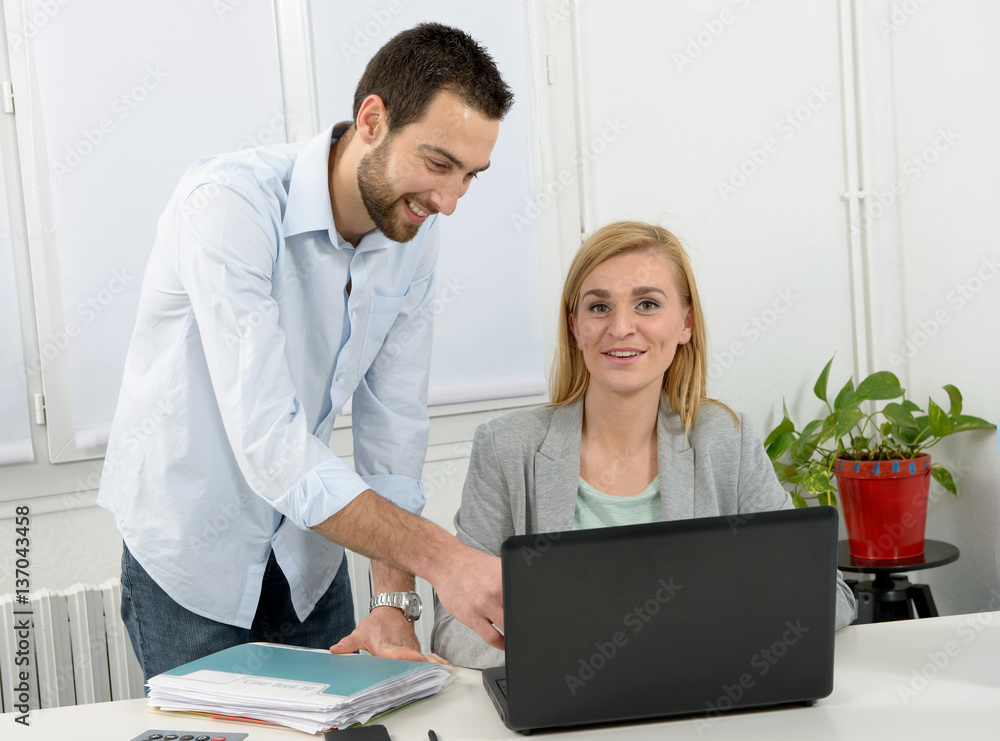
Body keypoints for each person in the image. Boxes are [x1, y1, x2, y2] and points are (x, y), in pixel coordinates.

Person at [98, 23, 513, 681]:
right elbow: (272, 446)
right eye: (438, 164)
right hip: (190, 559)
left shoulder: (414, 229)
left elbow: (393, 431)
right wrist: (447, 559)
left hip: (307, 560)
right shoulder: (228, 206)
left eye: (470, 176)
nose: (449, 202)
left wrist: (395, 599)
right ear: (371, 119)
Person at [432, 221, 857, 668]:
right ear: (575, 326)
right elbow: (453, 630)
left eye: (647, 304)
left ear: (685, 324)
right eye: (599, 307)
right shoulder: (506, 448)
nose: (621, 328)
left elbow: (830, 596)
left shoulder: (726, 441)